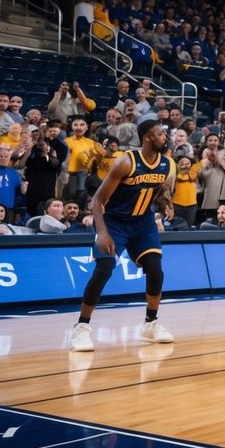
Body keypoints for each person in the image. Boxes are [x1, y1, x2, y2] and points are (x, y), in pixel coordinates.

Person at [69, 120, 175, 352]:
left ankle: (150, 323)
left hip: (143, 223)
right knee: (104, 269)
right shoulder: (126, 162)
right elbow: (97, 200)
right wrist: (102, 231)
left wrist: (165, 198)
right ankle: (81, 327)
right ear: (147, 138)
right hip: (115, 222)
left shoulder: (166, 164)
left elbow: (158, 187)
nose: (164, 137)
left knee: (155, 270)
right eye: (160, 134)